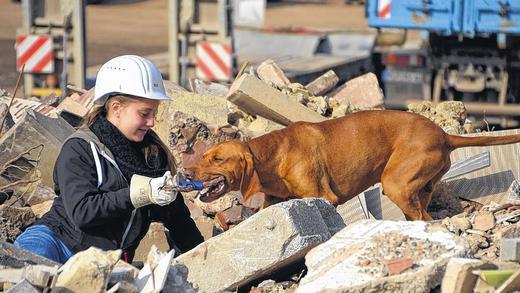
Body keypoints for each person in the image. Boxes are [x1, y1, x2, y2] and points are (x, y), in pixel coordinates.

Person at [14, 55, 204, 263]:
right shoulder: (80, 148)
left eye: (154, 113)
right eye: (144, 113)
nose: (151, 122)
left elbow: (178, 220)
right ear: (116, 108)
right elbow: (82, 211)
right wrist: (138, 194)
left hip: (105, 262)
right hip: (55, 245)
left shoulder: (153, 157)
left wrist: (204, 259)